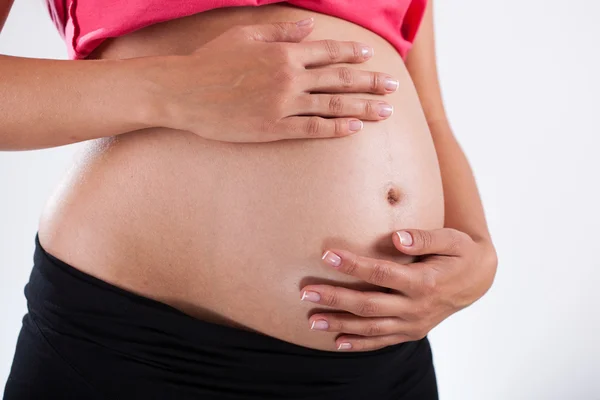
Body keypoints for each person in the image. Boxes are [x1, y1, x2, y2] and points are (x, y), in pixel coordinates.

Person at [1, 0, 498, 398]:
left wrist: (478, 250)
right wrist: (172, 89)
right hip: (128, 342)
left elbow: (431, 115)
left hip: (375, 354)